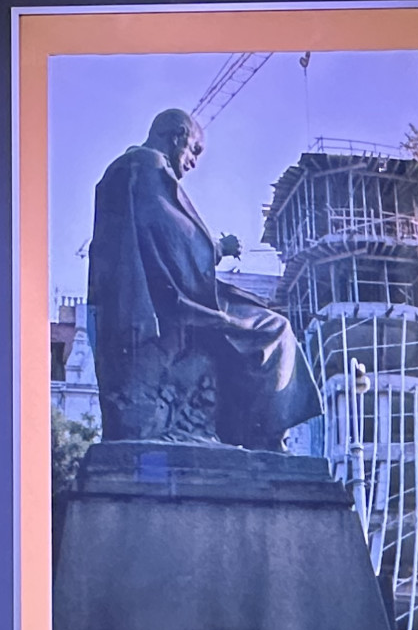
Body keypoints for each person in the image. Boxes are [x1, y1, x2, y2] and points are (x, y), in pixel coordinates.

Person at [87, 108, 319, 448]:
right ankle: (264, 440)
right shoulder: (147, 166)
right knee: (276, 329)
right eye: (194, 150)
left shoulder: (129, 170)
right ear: (177, 135)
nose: (194, 162)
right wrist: (219, 247)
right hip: (166, 306)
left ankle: (253, 438)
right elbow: (176, 241)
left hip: (152, 300)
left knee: (259, 321)